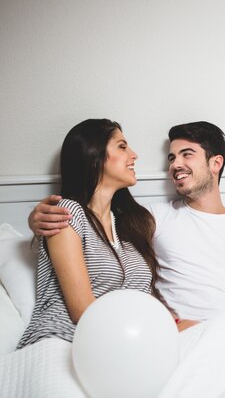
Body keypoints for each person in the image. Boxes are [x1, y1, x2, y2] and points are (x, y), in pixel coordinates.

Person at [29, 121, 225, 345]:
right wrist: (35, 219)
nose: (176, 164)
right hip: (180, 335)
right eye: (172, 158)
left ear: (215, 163)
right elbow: (85, 226)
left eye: (187, 155)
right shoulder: (151, 219)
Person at [17, 119, 159, 349]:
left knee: (215, 330)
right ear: (94, 156)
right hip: (64, 341)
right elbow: (82, 311)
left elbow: (145, 303)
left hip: (123, 344)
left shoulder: (132, 225)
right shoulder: (68, 214)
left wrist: (173, 325)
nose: (134, 155)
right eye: (122, 146)